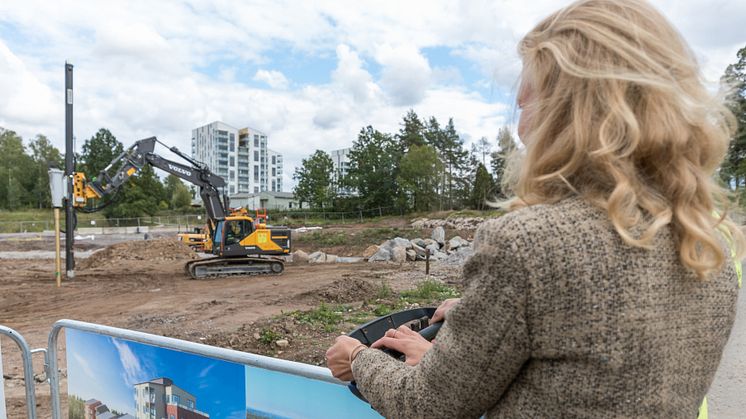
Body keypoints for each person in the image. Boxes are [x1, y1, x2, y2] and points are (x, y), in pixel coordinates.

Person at [325, 0, 744, 417]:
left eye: (525, 103)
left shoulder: (527, 244)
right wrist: (478, 320)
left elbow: (428, 404)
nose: (520, 128)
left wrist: (360, 360)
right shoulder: (711, 246)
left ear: (571, 113)